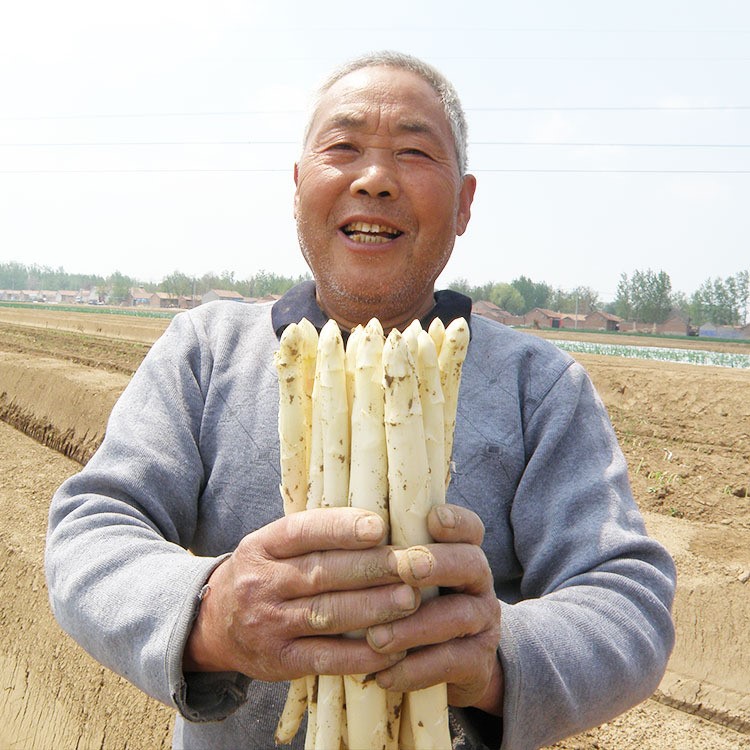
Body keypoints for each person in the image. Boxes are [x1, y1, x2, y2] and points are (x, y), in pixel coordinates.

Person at [45, 51, 676, 750]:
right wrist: (211, 613)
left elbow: (630, 602)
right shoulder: (205, 351)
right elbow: (90, 529)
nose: (374, 180)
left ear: (464, 202)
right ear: (296, 187)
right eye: (343, 147)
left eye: (413, 152)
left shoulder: (539, 386)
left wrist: (495, 655)